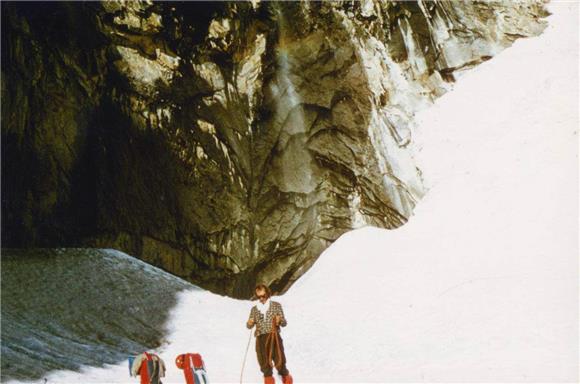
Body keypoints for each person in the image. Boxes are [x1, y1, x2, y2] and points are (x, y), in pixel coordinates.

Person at [246, 284, 293, 384]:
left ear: (267, 293)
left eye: (263, 295)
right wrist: (249, 323)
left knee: (279, 358)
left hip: (274, 336)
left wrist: (279, 320)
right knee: (263, 361)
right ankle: (268, 380)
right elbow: (249, 326)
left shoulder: (276, 305)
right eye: (259, 296)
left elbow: (284, 323)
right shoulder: (254, 309)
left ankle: (286, 377)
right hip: (260, 337)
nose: (262, 298)